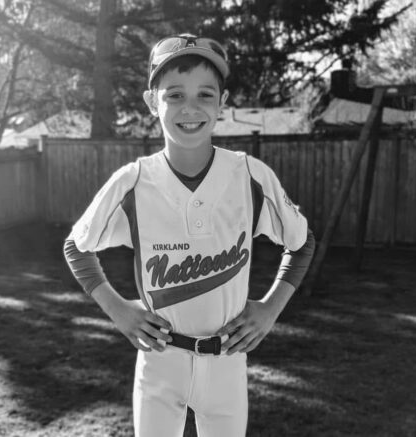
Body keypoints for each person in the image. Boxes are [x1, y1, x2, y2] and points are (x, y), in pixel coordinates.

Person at [64, 33, 315, 437]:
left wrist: (269, 310)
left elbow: (302, 243)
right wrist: (117, 309)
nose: (190, 108)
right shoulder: (133, 181)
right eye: (174, 95)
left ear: (223, 101)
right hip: (161, 361)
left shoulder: (250, 175)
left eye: (205, 94)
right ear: (151, 102)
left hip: (227, 363)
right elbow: (77, 245)